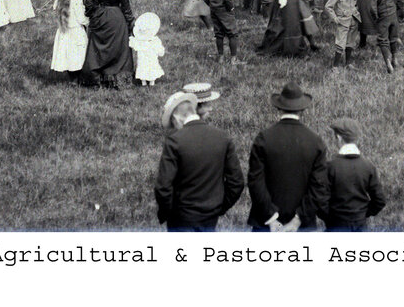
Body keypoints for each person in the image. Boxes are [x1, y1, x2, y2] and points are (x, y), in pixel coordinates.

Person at [154, 90, 244, 232]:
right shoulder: (222, 137)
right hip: (211, 215)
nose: (174, 127)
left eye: (172, 123)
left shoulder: (174, 141)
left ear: (176, 118)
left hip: (181, 218)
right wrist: (220, 207)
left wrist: (166, 213)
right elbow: (237, 182)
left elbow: (163, 187)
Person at [246, 82, 329, 232]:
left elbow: (255, 182)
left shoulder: (264, 138)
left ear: (279, 107)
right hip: (302, 227)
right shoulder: (315, 142)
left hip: (265, 224)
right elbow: (319, 187)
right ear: (302, 109)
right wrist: (298, 220)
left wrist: (272, 218)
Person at [319, 118, 385, 232]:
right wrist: (363, 214)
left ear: (338, 138)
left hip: (336, 227)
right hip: (360, 227)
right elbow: (380, 200)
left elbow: (320, 201)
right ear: (356, 138)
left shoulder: (330, 166)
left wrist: (330, 219)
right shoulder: (368, 166)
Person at [82, 0, 136, 87]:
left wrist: (96, 15)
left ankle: (96, 79)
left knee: (97, 48)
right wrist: (132, 24)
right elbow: (126, 9)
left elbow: (88, 6)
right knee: (119, 49)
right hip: (117, 20)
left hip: (100, 17)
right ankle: (117, 78)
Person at [49, 0, 89, 79]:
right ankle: (77, 75)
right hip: (76, 30)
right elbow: (81, 18)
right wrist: (88, 21)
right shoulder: (76, 0)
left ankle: (71, 75)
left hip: (63, 30)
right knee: (77, 53)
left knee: (66, 52)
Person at [369, 0, 404, 73]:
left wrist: (376, 18)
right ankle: (395, 58)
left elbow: (372, 8)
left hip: (382, 18)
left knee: (383, 40)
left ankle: (388, 63)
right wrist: (397, 10)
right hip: (393, 16)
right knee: (393, 38)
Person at [324, 0, 360, 70]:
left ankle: (348, 63)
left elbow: (355, 5)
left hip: (353, 20)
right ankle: (335, 66)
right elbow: (328, 6)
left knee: (350, 42)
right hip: (343, 21)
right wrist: (335, 18)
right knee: (340, 43)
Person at [130, 12, 165, 87]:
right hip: (149, 59)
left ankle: (145, 82)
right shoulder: (152, 41)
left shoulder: (141, 41)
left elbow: (133, 44)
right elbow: (160, 50)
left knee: (144, 67)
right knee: (149, 67)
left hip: (145, 60)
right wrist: (160, 52)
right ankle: (149, 82)